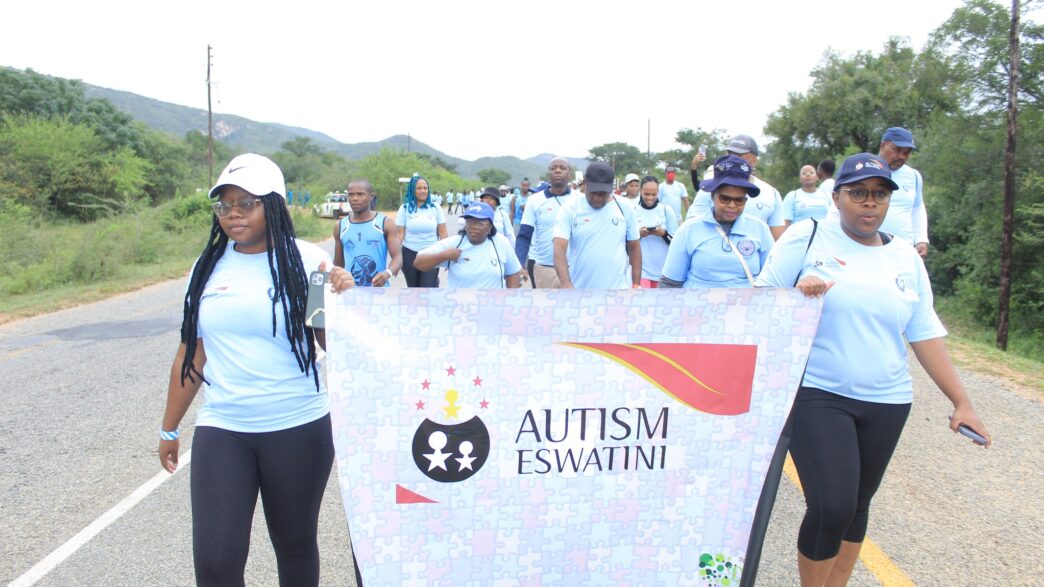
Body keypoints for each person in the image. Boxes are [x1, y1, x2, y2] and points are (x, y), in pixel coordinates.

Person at [755, 152, 990, 587]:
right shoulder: (807, 236)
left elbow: (923, 332)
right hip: (818, 392)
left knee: (857, 505)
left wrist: (962, 402)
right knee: (832, 505)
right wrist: (795, 294)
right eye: (859, 193)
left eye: (880, 195)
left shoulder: (904, 256)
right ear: (837, 197)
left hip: (888, 399)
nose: (870, 202)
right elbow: (760, 302)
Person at [158, 153, 357, 586]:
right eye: (224, 204)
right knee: (215, 562)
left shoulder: (309, 262)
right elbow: (192, 353)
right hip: (224, 427)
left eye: (246, 203)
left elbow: (329, 342)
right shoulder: (206, 268)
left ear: (274, 206)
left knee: (294, 544)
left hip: (297, 426)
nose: (233, 213)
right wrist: (169, 428)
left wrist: (345, 299)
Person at [660, 155, 774, 288]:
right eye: (725, 198)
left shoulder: (760, 229)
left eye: (739, 200)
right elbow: (669, 284)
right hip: (698, 301)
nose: (732, 205)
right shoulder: (688, 230)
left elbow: (771, 279)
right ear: (712, 195)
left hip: (747, 301)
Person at [552, 162, 641, 289]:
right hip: (579, 291)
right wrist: (566, 284)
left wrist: (636, 284)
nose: (598, 198)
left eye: (603, 193)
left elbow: (634, 247)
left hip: (618, 291)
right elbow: (559, 250)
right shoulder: (570, 209)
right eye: (593, 192)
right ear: (585, 184)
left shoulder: (625, 207)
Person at [690, 134, 786, 240]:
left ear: (754, 160)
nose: (733, 159)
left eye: (739, 156)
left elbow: (778, 238)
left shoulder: (771, 193)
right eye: (730, 154)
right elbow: (691, 228)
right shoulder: (711, 188)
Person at [414, 202, 523, 288]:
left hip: (493, 305)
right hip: (461, 305)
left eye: (480, 223)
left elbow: (513, 273)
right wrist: (445, 255)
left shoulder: (501, 242)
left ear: (490, 226)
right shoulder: (455, 243)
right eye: (470, 221)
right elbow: (418, 263)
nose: (474, 226)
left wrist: (508, 299)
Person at [515, 157, 575, 288]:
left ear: (570, 174)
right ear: (548, 174)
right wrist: (519, 265)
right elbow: (524, 235)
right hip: (545, 269)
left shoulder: (580, 199)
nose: (557, 171)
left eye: (562, 168)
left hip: (574, 269)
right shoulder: (534, 200)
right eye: (553, 168)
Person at [333, 179, 402, 287]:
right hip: (349, 291)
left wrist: (387, 273)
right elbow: (338, 264)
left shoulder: (385, 223)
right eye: (351, 195)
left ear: (371, 196)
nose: (355, 198)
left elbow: (398, 257)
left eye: (360, 194)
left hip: (379, 290)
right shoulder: (340, 226)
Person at [878, 127, 929, 258]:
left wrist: (921, 239)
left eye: (906, 153)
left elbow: (917, 208)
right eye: (897, 150)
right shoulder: (864, 171)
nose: (901, 156)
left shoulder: (913, 176)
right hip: (867, 247)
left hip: (904, 250)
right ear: (883, 146)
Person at [396, 176, 448, 287]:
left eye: (425, 188)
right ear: (412, 190)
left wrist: (447, 256)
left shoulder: (435, 207)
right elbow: (400, 235)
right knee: (413, 288)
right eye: (419, 188)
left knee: (428, 287)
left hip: (431, 253)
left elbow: (443, 232)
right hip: (409, 253)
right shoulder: (404, 208)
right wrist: (395, 258)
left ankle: (434, 282)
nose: (423, 191)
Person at [634, 175, 678, 288]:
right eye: (646, 194)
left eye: (654, 194)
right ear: (640, 191)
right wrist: (638, 235)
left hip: (664, 272)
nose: (650, 198)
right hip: (641, 271)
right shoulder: (633, 211)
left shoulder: (666, 211)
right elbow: (626, 242)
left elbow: (676, 243)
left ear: (658, 192)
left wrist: (663, 234)